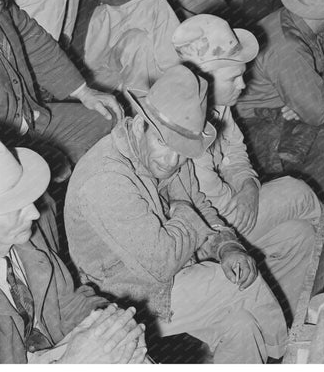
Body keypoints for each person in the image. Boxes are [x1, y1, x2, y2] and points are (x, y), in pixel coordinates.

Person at [65, 65, 287, 364]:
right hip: (130, 296)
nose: (172, 161)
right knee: (236, 284)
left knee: (242, 325)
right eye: (164, 144)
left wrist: (227, 246)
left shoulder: (172, 148)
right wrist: (185, 211)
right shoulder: (105, 178)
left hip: (174, 268)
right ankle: (296, 355)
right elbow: (160, 264)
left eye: (183, 151)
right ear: (141, 123)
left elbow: (202, 207)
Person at [172, 14, 322, 322]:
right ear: (205, 80)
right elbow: (209, 203)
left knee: (300, 234)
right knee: (299, 192)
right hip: (208, 231)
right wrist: (242, 195)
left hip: (232, 208)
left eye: (241, 74)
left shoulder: (217, 104)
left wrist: (250, 187)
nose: (244, 84)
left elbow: (237, 153)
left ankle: (292, 324)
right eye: (233, 78)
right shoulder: (183, 121)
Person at [0, 128, 148, 364]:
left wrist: (108, 322)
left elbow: (68, 301)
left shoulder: (26, 237)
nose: (35, 213)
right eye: (14, 206)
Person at [0, 0, 123, 178]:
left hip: (33, 119)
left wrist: (84, 92)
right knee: (42, 202)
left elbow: (35, 42)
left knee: (110, 119)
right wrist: (31, 155)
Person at [235, 0, 324, 197]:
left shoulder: (299, 20)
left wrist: (305, 97)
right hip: (255, 125)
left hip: (282, 107)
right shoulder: (288, 45)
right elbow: (318, 113)